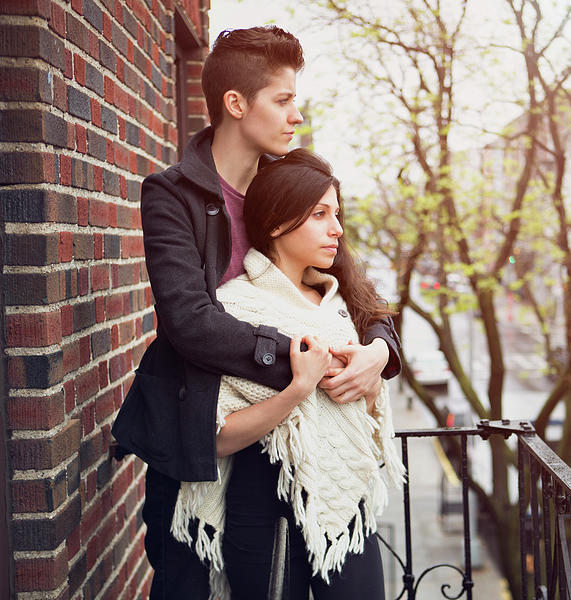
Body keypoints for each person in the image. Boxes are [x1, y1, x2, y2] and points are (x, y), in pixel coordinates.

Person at [110, 26, 402, 599]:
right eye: (284, 99)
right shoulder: (173, 195)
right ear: (237, 104)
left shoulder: (286, 187)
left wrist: (377, 352)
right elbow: (189, 322)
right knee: (188, 585)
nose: (297, 116)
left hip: (285, 459)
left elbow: (357, 293)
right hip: (199, 432)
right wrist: (301, 365)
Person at [171, 148, 405, 599]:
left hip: (347, 506)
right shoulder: (235, 308)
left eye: (337, 214)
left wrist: (371, 373)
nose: (337, 228)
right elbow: (216, 436)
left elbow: (370, 399)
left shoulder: (342, 303)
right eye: (320, 214)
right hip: (267, 513)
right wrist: (298, 389)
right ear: (278, 222)